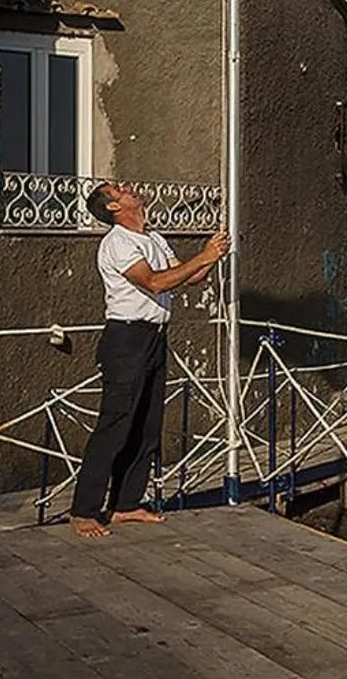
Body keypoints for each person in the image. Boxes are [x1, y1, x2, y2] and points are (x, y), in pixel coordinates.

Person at [69, 182, 229, 538]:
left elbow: (184, 276)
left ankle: (126, 503)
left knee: (147, 423)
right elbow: (154, 283)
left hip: (155, 336)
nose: (127, 187)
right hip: (127, 338)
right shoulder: (118, 243)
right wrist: (202, 256)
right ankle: (84, 510)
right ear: (113, 207)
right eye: (118, 189)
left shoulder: (152, 238)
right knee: (116, 423)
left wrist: (212, 256)